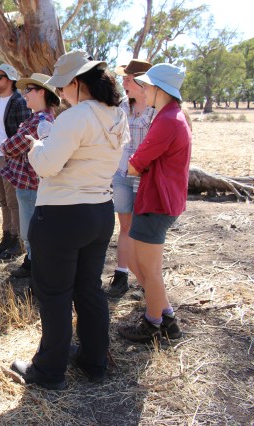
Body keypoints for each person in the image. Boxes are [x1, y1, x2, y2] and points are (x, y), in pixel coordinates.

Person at [10, 51, 129, 389]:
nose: (60, 94)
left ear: (77, 83)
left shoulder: (75, 117)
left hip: (62, 215)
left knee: (55, 294)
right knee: (89, 289)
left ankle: (48, 371)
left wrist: (35, 145)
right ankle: (94, 361)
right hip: (100, 212)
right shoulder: (116, 115)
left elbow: (46, 166)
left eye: (62, 87)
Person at [118, 64, 191, 343]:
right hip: (154, 199)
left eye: (147, 86)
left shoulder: (168, 120)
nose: (143, 91)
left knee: (148, 269)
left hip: (158, 201)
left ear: (160, 89)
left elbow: (136, 165)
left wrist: (133, 165)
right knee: (139, 263)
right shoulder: (169, 116)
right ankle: (167, 318)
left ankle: (153, 324)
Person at [0, 73, 60, 278]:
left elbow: (12, 145)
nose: (25, 95)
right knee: (30, 228)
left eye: (29, 90)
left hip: (30, 183)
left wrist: (6, 146)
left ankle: (36, 267)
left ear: (41, 92)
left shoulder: (39, 121)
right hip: (30, 182)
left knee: (31, 230)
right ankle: (32, 263)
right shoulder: (40, 118)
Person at [107, 60, 154, 297]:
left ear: (141, 81)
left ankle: (149, 283)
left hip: (146, 177)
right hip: (122, 175)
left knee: (145, 232)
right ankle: (121, 275)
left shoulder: (156, 108)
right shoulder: (122, 107)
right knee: (125, 227)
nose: (123, 82)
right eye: (123, 78)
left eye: (128, 78)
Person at [0, 64, 31, 258]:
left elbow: (23, 133)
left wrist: (11, 154)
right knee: (3, 200)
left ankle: (19, 241)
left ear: (10, 80)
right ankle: (7, 236)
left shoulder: (19, 102)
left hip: (10, 158)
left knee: (14, 202)